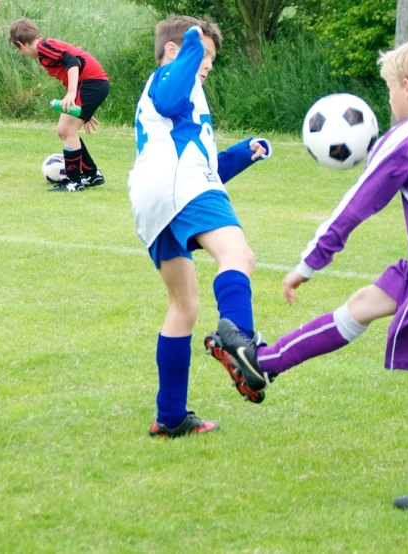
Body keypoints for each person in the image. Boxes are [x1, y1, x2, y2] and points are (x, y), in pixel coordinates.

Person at [207, 36, 408, 509]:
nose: (390, 100)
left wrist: (307, 265)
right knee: (364, 304)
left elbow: (356, 206)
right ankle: (262, 364)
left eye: (392, 89)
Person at [127, 15, 272, 438]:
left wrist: (242, 155)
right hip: (178, 185)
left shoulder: (183, 98)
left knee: (184, 306)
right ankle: (239, 339)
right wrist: (193, 42)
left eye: (208, 57)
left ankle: (170, 415)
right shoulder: (172, 76)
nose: (207, 63)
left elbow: (203, 166)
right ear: (175, 50)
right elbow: (172, 99)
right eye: (204, 55)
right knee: (239, 255)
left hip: (157, 196)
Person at [9, 19, 110, 192]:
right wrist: (84, 110)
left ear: (20, 44)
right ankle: (91, 174)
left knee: (67, 130)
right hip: (90, 87)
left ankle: (73, 181)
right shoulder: (44, 51)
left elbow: (73, 62)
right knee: (63, 129)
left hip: (91, 84)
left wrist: (72, 94)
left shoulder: (44, 46)